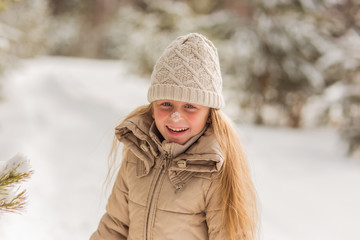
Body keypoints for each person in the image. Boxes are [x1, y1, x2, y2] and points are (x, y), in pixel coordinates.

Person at [90, 33, 258, 240]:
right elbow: (115, 226)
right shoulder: (138, 156)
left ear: (209, 115)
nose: (176, 116)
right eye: (166, 104)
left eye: (190, 106)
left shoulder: (215, 170)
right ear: (152, 108)